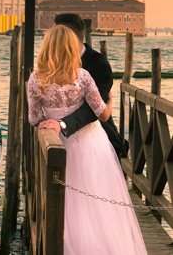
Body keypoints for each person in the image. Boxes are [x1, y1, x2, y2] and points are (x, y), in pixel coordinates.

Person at [27, 25, 147, 254]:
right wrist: (110, 99)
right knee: (98, 203)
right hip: (91, 145)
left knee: (66, 204)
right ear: (71, 48)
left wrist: (52, 118)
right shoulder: (82, 76)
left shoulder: (35, 80)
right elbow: (102, 114)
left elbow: (34, 118)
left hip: (57, 145)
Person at [53, 13, 129, 159]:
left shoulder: (99, 65)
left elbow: (92, 110)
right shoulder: (54, 61)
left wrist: (62, 125)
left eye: (55, 34)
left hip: (96, 141)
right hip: (57, 136)